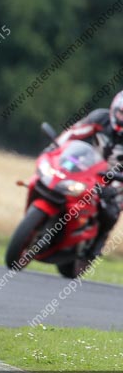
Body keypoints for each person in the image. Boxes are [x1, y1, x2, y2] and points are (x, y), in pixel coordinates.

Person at [56, 91, 123, 259]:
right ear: (114, 109)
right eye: (122, 113)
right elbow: (73, 133)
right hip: (89, 167)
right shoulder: (100, 118)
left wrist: (116, 186)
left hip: (117, 178)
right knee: (59, 180)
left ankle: (97, 244)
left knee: (112, 207)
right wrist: (56, 148)